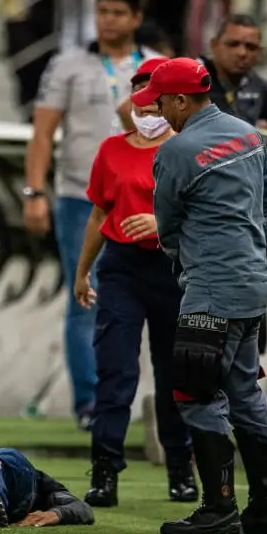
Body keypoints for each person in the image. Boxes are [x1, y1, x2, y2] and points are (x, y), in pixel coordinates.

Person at [142, 57, 267, 534]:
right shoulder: (248, 134)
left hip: (210, 287)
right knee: (245, 391)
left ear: (182, 99)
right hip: (251, 282)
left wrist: (195, 259)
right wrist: (244, 246)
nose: (160, 111)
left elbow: (167, 225)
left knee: (195, 392)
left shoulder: (178, 150)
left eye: (162, 102)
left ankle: (219, 509)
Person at [25, 0, 163, 428]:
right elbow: (43, 132)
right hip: (78, 196)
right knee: (84, 293)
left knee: (150, 295)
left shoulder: (160, 67)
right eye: (102, 11)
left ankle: (145, 398)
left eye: (119, 13)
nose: (108, 20)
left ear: (137, 18)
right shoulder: (67, 64)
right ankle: (91, 403)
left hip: (146, 200)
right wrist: (34, 192)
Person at [73, 57, 195, 507]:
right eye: (140, 94)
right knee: (116, 370)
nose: (146, 108)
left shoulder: (186, 148)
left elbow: (200, 214)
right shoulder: (111, 151)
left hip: (172, 266)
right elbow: (100, 213)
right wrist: (83, 271)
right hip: (122, 266)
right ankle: (105, 469)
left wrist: (161, 223)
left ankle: (181, 468)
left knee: (173, 374)